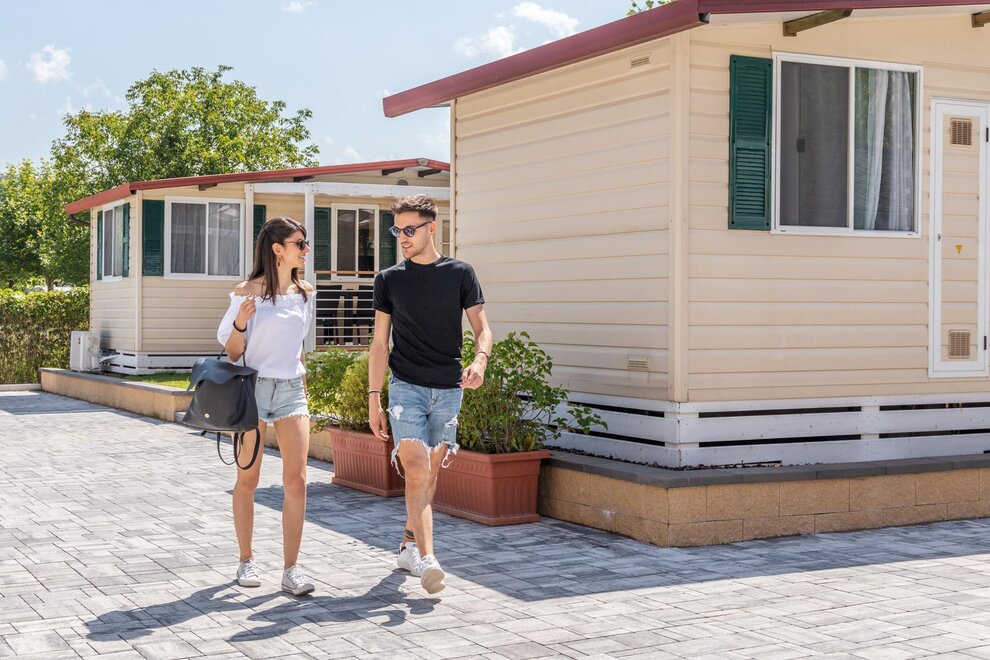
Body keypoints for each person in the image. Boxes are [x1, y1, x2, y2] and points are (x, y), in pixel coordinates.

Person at [368, 194, 493, 594]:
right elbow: (379, 344)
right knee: (418, 470)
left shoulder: (460, 274)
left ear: (431, 227)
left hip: (449, 389)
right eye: (397, 230)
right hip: (405, 387)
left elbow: (482, 330)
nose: (403, 237)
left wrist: (480, 361)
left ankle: (408, 545)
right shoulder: (389, 279)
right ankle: (429, 559)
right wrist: (374, 397)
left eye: (410, 229)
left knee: (430, 473)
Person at [217, 216, 317, 596]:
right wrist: (241, 322)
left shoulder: (305, 292)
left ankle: (291, 570)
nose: (306, 250)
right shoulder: (247, 292)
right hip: (253, 390)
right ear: (278, 249)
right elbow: (232, 351)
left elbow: (299, 347)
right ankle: (246, 559)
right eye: (299, 244)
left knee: (298, 481)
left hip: (291, 390)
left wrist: (303, 387)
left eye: (305, 243)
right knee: (249, 480)